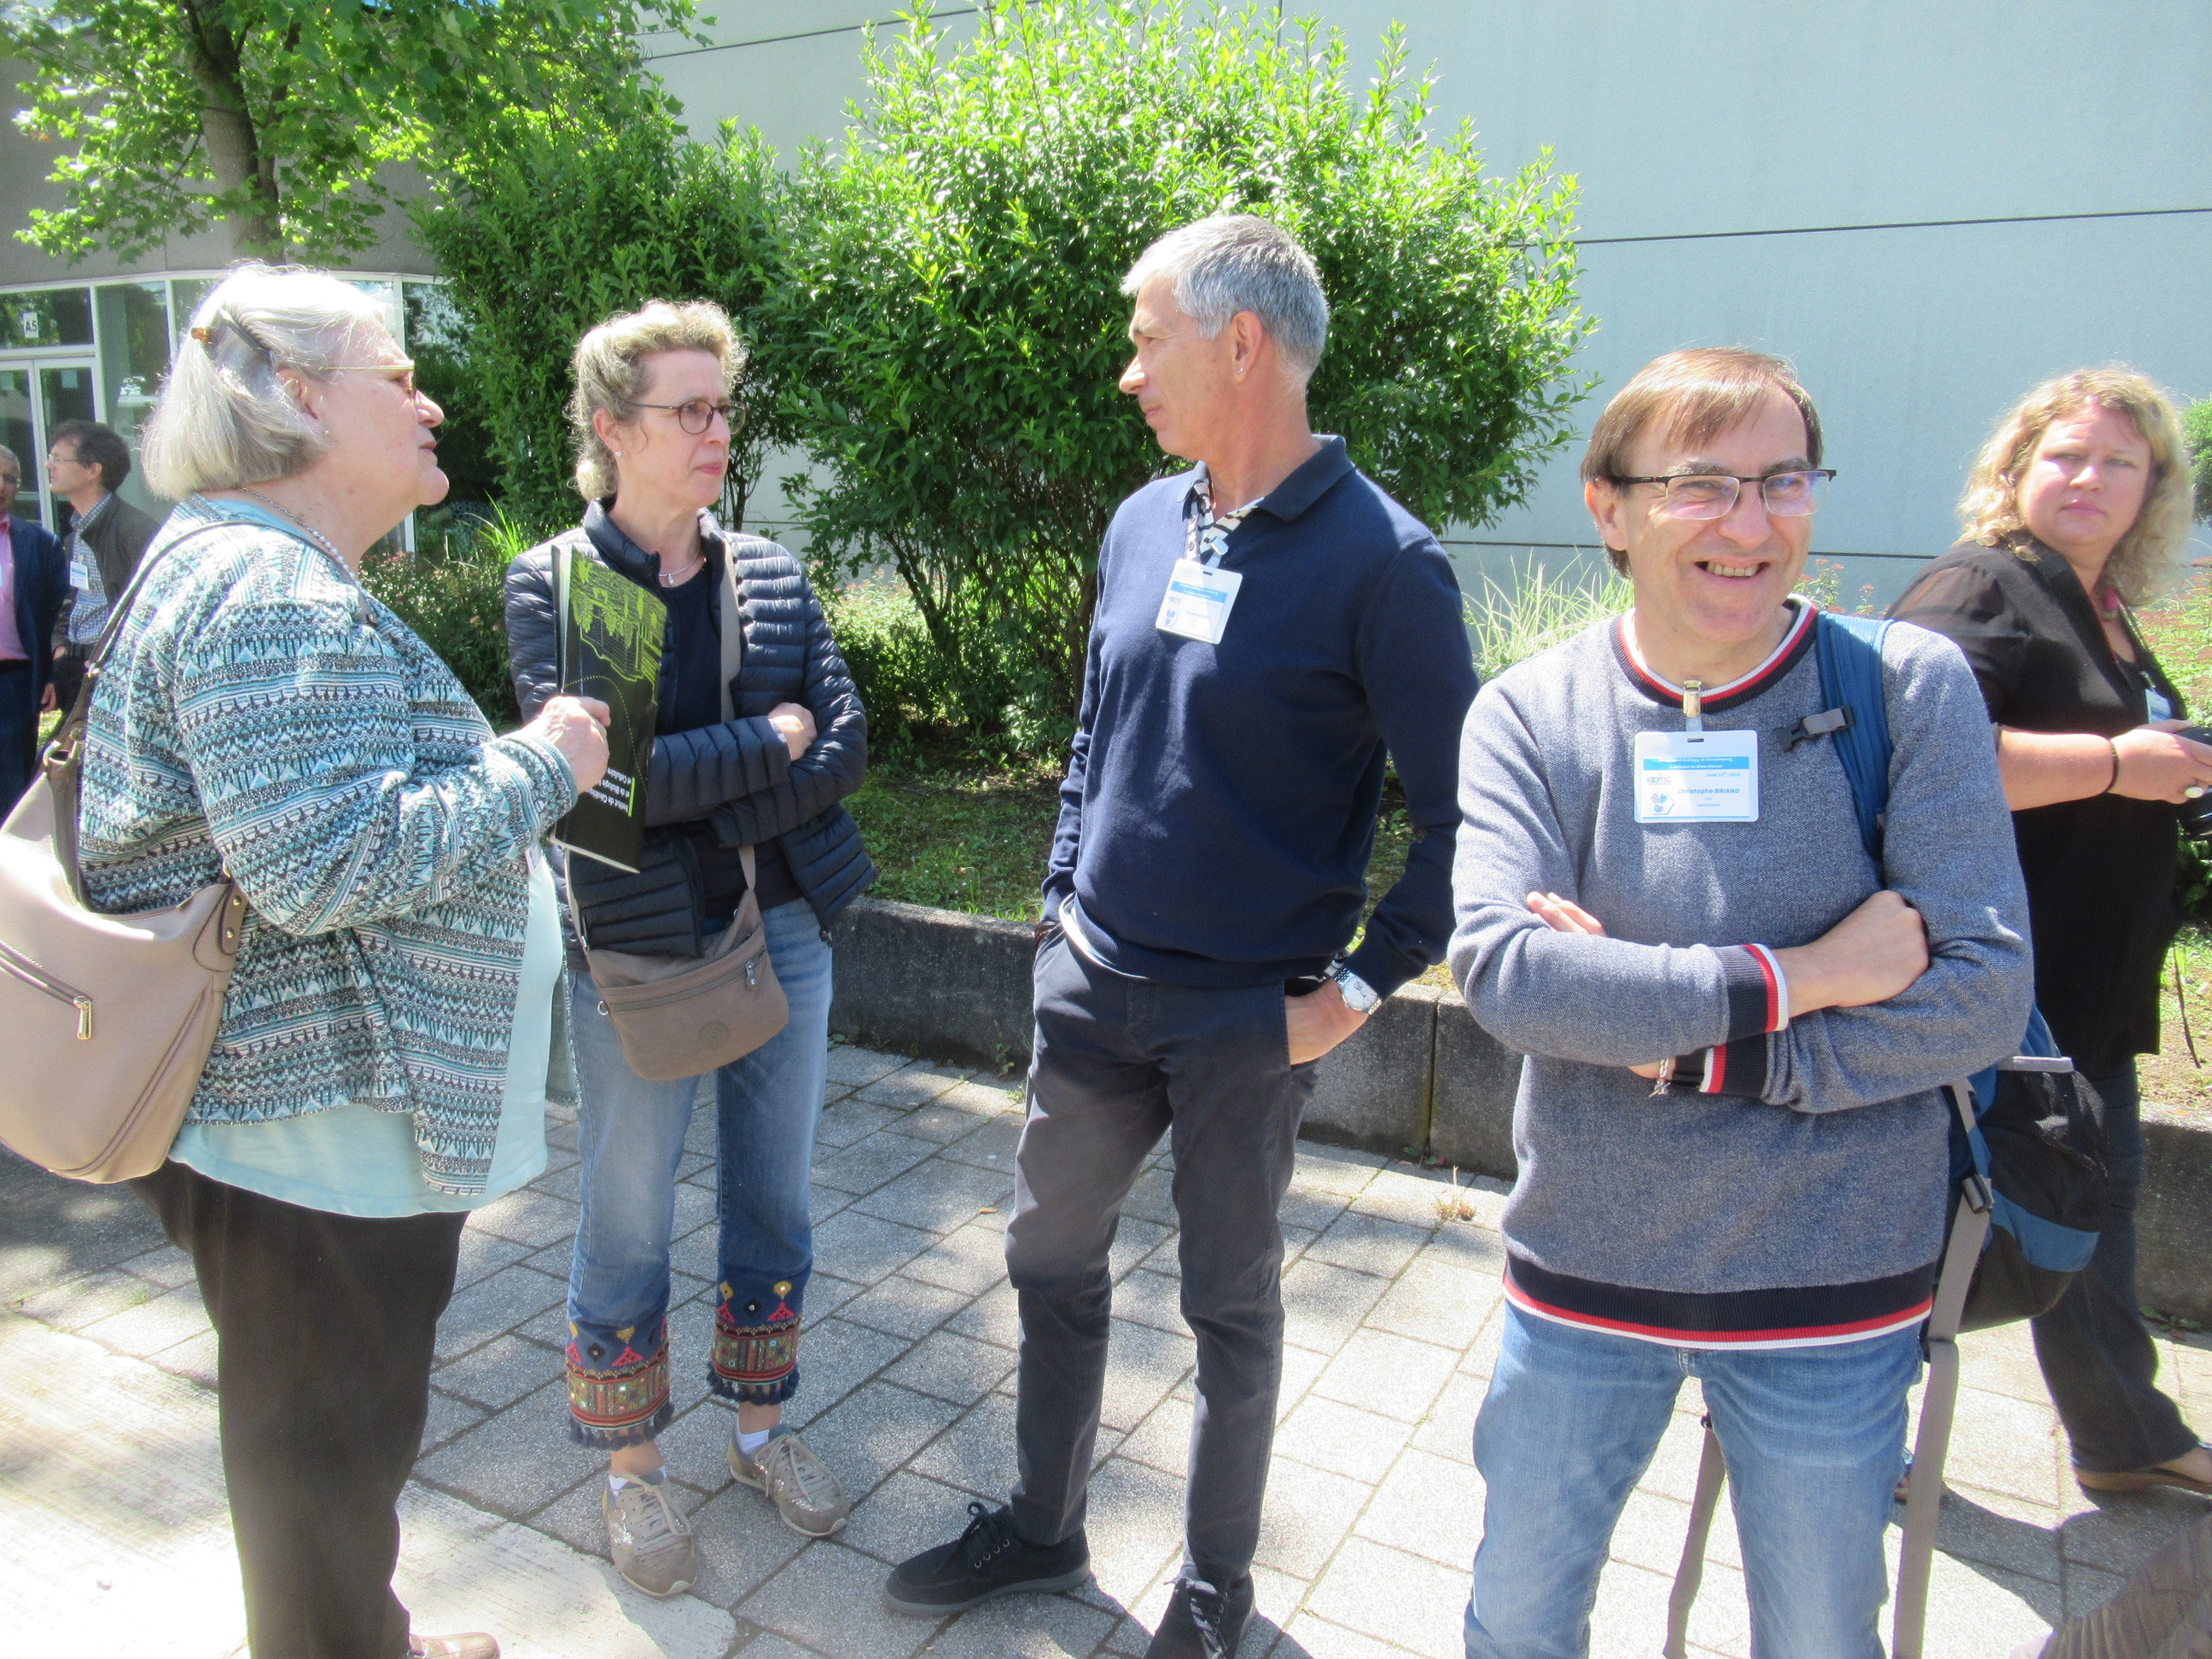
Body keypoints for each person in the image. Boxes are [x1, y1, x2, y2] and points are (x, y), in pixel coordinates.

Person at [885, 214, 1479, 1658]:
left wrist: (1348, 996)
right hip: (1092, 981)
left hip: (1243, 1021)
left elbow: (1470, 823)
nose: (1128, 371)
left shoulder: (1386, 563)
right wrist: (1060, 899)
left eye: (1147, 339)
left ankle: (1216, 1596)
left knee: (1226, 1306)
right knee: (1047, 1259)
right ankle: (1044, 1526)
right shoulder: (1146, 519)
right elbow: (1098, 727)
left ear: (1241, 342)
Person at [1449, 347, 2034, 1658]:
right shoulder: (1532, 715)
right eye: (1703, 484)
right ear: (1610, 508)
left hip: (1834, 1289)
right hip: (1585, 1274)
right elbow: (1509, 975)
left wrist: (1685, 1047)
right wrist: (1811, 977)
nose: (1752, 523)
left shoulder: (1903, 691)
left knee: (1820, 1637)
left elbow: (1981, 996)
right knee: (1518, 1620)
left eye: (1783, 481)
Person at [90, 264, 610, 1659]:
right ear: (297, 396)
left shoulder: (247, 562)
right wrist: (542, 763)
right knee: (320, 1470)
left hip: (298, 1119)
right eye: (400, 375)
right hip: (307, 1131)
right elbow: (322, 865)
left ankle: (362, 1633)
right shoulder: (267, 584)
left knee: (326, 1458)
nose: (430, 403)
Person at [504, 299, 876, 1598]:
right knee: (628, 1214)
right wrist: (761, 746)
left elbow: (843, 746)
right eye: (689, 411)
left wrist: (706, 785)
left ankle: (762, 1432)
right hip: (640, 947)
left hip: (784, 928)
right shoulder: (561, 585)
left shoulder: (765, 571)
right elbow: (603, 793)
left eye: (724, 408)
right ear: (612, 428)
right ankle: (631, 1470)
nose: (719, 431)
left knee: (775, 1199)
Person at [1890, 368, 2212, 1498]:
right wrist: (2119, 763)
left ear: (2153, 490)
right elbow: (1915, 754)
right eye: (2066, 455)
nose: (2089, 478)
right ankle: (1838, 1420)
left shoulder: (2097, 602)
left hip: (2083, 988)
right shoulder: (1983, 584)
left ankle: (2125, 1434)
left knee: (2091, 1211)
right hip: (1997, 990)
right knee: (1949, 1216)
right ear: (2017, 465)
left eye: (2120, 462)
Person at [44, 416, 159, 713]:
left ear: (92, 470)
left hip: (112, 676)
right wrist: (60, 648)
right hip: (74, 670)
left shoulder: (135, 532)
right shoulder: (77, 532)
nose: (48, 465)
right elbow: (74, 598)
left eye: (58, 458)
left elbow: (151, 610)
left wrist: (116, 663)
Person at [0, 443, 66, 812]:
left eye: (10, 478)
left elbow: (56, 614)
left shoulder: (39, 545)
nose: (2, 486)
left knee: (12, 796)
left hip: (12, 686)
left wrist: (51, 674)